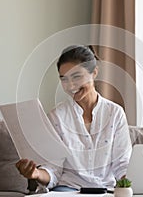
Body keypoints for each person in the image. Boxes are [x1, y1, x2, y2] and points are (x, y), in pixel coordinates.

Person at [16, 45, 132, 192]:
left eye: (77, 76)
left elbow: (122, 165)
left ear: (94, 72)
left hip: (105, 190)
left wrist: (129, 187)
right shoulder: (56, 117)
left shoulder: (115, 113)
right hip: (68, 189)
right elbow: (53, 169)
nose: (70, 85)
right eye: (64, 79)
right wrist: (36, 173)